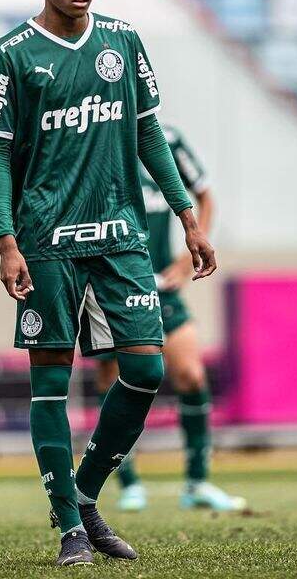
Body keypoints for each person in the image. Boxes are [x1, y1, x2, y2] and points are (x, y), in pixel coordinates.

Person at [0, 0, 216, 567]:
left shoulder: (122, 41)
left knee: (146, 369)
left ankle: (82, 495)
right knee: (52, 380)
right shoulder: (14, 55)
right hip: (46, 241)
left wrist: (188, 216)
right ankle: (69, 527)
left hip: (120, 237)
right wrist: (5, 240)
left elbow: (148, 133)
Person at [94, 126, 245, 513]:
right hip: (112, 283)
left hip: (163, 284)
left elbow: (206, 195)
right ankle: (126, 482)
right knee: (114, 381)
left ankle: (197, 482)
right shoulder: (94, 136)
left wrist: (184, 257)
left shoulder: (169, 140)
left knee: (191, 375)